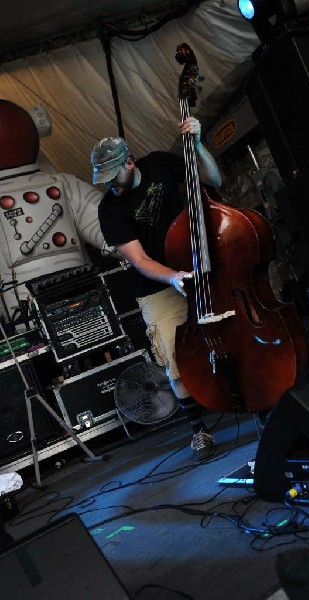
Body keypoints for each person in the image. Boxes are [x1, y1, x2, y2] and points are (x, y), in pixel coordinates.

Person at [90, 116, 222, 461]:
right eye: (103, 180)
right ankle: (199, 431)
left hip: (199, 263)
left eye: (113, 177)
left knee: (229, 334)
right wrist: (173, 277)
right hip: (156, 284)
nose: (110, 186)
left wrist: (197, 144)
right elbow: (139, 260)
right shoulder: (109, 209)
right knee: (173, 359)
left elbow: (212, 178)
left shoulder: (160, 164)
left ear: (129, 163)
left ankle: (256, 400)